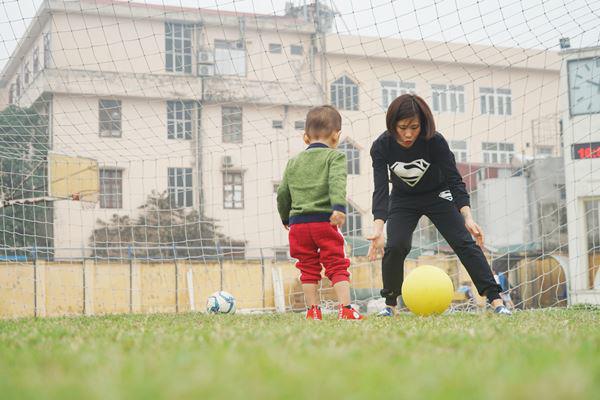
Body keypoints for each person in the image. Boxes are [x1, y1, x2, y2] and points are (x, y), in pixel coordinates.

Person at [366, 94, 511, 316]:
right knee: (396, 245)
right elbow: (381, 189)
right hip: (403, 199)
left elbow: (454, 180)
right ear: (392, 124)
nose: (408, 134)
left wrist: (468, 217)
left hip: (437, 194)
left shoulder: (435, 142)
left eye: (414, 127)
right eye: (402, 127)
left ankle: (496, 300)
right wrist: (378, 228)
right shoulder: (381, 146)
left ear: (423, 125)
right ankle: (390, 305)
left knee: (463, 242)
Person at [277, 105, 364, 320]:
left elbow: (282, 193)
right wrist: (339, 208)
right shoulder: (335, 157)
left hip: (298, 225)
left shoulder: (293, 162)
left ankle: (313, 311)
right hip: (323, 222)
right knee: (336, 263)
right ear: (336, 135)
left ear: (305, 137)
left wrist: (285, 216)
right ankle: (345, 309)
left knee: (307, 267)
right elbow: (336, 182)